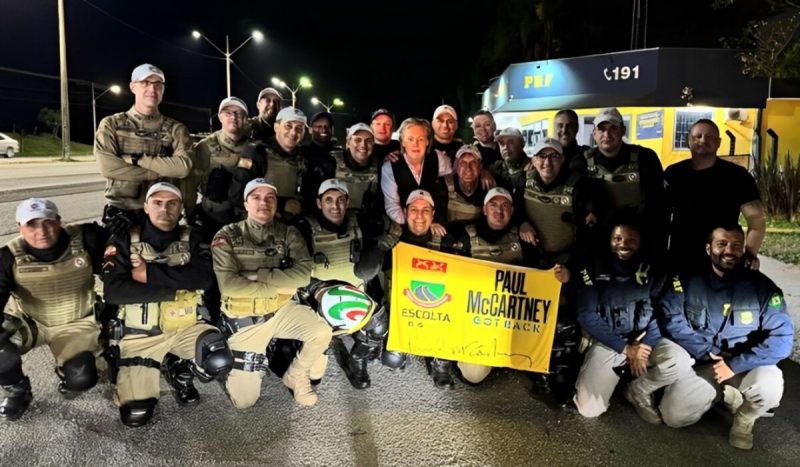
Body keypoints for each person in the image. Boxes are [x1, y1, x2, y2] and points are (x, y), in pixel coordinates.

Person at [102, 182, 233, 427]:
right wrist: (175, 290)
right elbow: (114, 291)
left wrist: (146, 275)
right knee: (135, 415)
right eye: (158, 203)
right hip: (141, 336)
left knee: (218, 357)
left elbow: (204, 278)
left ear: (181, 207)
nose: (165, 209)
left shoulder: (193, 236)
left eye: (172, 203)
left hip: (185, 328)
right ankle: (139, 376)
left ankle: (178, 369)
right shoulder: (123, 239)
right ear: (146, 206)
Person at [652, 223, 793, 450]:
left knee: (770, 387)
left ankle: (745, 419)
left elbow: (783, 339)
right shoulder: (686, 280)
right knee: (674, 417)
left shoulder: (762, 287)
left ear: (744, 249)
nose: (729, 251)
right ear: (709, 249)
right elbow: (672, 319)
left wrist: (734, 364)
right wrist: (709, 353)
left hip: (745, 363)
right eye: (722, 244)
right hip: (706, 361)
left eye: (736, 245)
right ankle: (724, 393)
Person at [212, 178, 332, 407]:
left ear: (276, 204)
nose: (263, 203)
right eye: (256, 197)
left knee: (322, 332)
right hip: (246, 321)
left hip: (281, 310)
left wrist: (261, 275)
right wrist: (281, 284)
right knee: (244, 401)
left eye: (270, 198)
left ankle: (296, 374)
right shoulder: (226, 236)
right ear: (246, 203)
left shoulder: (288, 233)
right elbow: (229, 285)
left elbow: (303, 275)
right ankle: (250, 361)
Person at [0, 199, 108, 421]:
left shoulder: (86, 239)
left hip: (77, 322)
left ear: (60, 221)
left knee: (81, 378)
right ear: (19, 227)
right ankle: (17, 390)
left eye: (49, 222)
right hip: (31, 322)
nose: (42, 231)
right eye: (32, 225)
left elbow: (119, 266)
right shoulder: (8, 256)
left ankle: (66, 368)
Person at [356, 190, 462, 387]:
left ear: (433, 214)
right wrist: (386, 241)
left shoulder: (445, 240)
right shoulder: (394, 238)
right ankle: (392, 346)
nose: (420, 216)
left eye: (425, 210)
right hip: (400, 309)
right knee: (392, 359)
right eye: (414, 210)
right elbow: (363, 272)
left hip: (437, 309)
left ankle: (441, 358)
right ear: (405, 212)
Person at [295, 179, 389, 389]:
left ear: (348, 202)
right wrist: (314, 288)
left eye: (340, 200)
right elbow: (294, 271)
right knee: (313, 378)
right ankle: (316, 349)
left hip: (355, 297)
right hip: (317, 301)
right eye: (329, 200)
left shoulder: (361, 222)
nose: (335, 206)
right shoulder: (304, 227)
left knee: (380, 323)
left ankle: (357, 360)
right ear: (319, 203)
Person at [573, 211, 666, 421]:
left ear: (641, 241)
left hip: (644, 341)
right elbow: (586, 314)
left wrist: (645, 346)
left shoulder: (655, 270)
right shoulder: (594, 266)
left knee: (677, 361)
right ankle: (610, 374)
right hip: (609, 341)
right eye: (617, 239)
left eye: (631, 240)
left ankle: (639, 389)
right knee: (589, 409)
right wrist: (625, 349)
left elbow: (664, 312)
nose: (623, 244)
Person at [450, 187, 537, 385]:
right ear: (485, 209)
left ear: (513, 211)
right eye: (494, 205)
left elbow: (538, 283)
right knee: (474, 374)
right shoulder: (466, 236)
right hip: (477, 318)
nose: (499, 211)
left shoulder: (523, 238)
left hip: (513, 317)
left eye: (505, 206)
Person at [95, 63, 193, 236]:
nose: (152, 89)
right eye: (145, 83)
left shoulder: (176, 129)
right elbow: (107, 167)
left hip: (162, 213)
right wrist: (159, 171)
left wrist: (136, 159)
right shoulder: (112, 124)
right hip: (122, 213)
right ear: (133, 87)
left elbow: (183, 167)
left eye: (158, 84)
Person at [665, 119, 765, 274]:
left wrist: (749, 254)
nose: (703, 140)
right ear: (688, 141)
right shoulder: (674, 174)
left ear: (718, 142)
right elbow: (659, 216)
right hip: (681, 258)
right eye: (697, 136)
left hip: (722, 260)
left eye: (710, 137)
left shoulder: (737, 176)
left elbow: (756, 220)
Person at [571, 107, 667, 256]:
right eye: (601, 129)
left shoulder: (645, 158)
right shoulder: (581, 162)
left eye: (613, 128)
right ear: (594, 133)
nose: (607, 134)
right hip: (598, 240)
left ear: (623, 130)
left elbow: (658, 204)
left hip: (636, 238)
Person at [189, 96, 255, 241]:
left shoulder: (254, 148)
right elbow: (190, 183)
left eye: (238, 113)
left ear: (245, 118)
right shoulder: (205, 147)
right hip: (213, 218)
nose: (233, 117)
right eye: (228, 112)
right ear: (220, 117)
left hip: (245, 219)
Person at [230, 107, 309, 221]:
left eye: (299, 128)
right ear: (276, 127)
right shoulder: (257, 153)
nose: (293, 132)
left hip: (291, 226)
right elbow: (237, 196)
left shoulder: (304, 158)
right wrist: (282, 204)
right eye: (288, 126)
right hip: (261, 225)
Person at [380, 118, 451, 230]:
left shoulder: (439, 159)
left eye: (420, 139)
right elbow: (392, 206)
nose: (415, 144)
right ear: (402, 141)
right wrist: (415, 223)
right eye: (410, 139)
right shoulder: (390, 168)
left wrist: (435, 220)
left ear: (428, 141)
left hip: (436, 224)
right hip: (405, 225)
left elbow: (452, 184)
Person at [331, 123, 384, 238]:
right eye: (357, 140)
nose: (363, 145)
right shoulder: (331, 162)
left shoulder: (379, 165)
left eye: (368, 141)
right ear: (348, 142)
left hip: (364, 227)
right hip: (336, 226)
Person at [438, 144, 487, 223]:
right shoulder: (444, 184)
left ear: (480, 167)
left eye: (473, 163)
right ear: (456, 167)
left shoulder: (487, 186)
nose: (468, 168)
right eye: (463, 163)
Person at [304, 112, 339, 212]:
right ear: (310, 130)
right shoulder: (302, 154)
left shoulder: (340, 155)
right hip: (309, 209)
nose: (323, 129)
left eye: (327, 126)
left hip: (334, 209)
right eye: (318, 126)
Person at [490, 127, 528, 195]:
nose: (505, 147)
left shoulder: (535, 167)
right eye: (501, 143)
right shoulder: (496, 169)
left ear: (522, 144)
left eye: (511, 142)